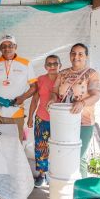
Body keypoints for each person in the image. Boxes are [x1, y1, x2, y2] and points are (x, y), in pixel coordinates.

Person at [48, 43, 100, 178]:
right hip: (63, 121)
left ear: (86, 56)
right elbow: (54, 92)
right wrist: (53, 99)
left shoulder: (92, 74)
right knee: (62, 155)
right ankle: (65, 189)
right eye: (73, 53)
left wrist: (82, 103)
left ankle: (81, 194)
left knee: (80, 158)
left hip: (83, 122)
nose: (76, 57)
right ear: (70, 55)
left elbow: (96, 95)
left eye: (80, 54)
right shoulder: (63, 73)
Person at [0, 34, 37, 141]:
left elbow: (34, 87)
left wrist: (22, 98)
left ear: (16, 47)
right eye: (3, 46)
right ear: (0, 48)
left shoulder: (26, 64)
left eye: (10, 45)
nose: (7, 48)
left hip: (16, 112)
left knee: (15, 145)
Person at [27, 55, 61, 187]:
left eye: (55, 64)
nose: (52, 66)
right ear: (45, 66)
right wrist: (30, 117)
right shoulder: (40, 80)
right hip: (42, 118)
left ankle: (56, 175)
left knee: (59, 148)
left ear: (60, 65)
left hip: (60, 121)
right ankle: (42, 176)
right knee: (41, 147)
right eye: (49, 64)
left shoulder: (64, 79)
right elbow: (35, 100)